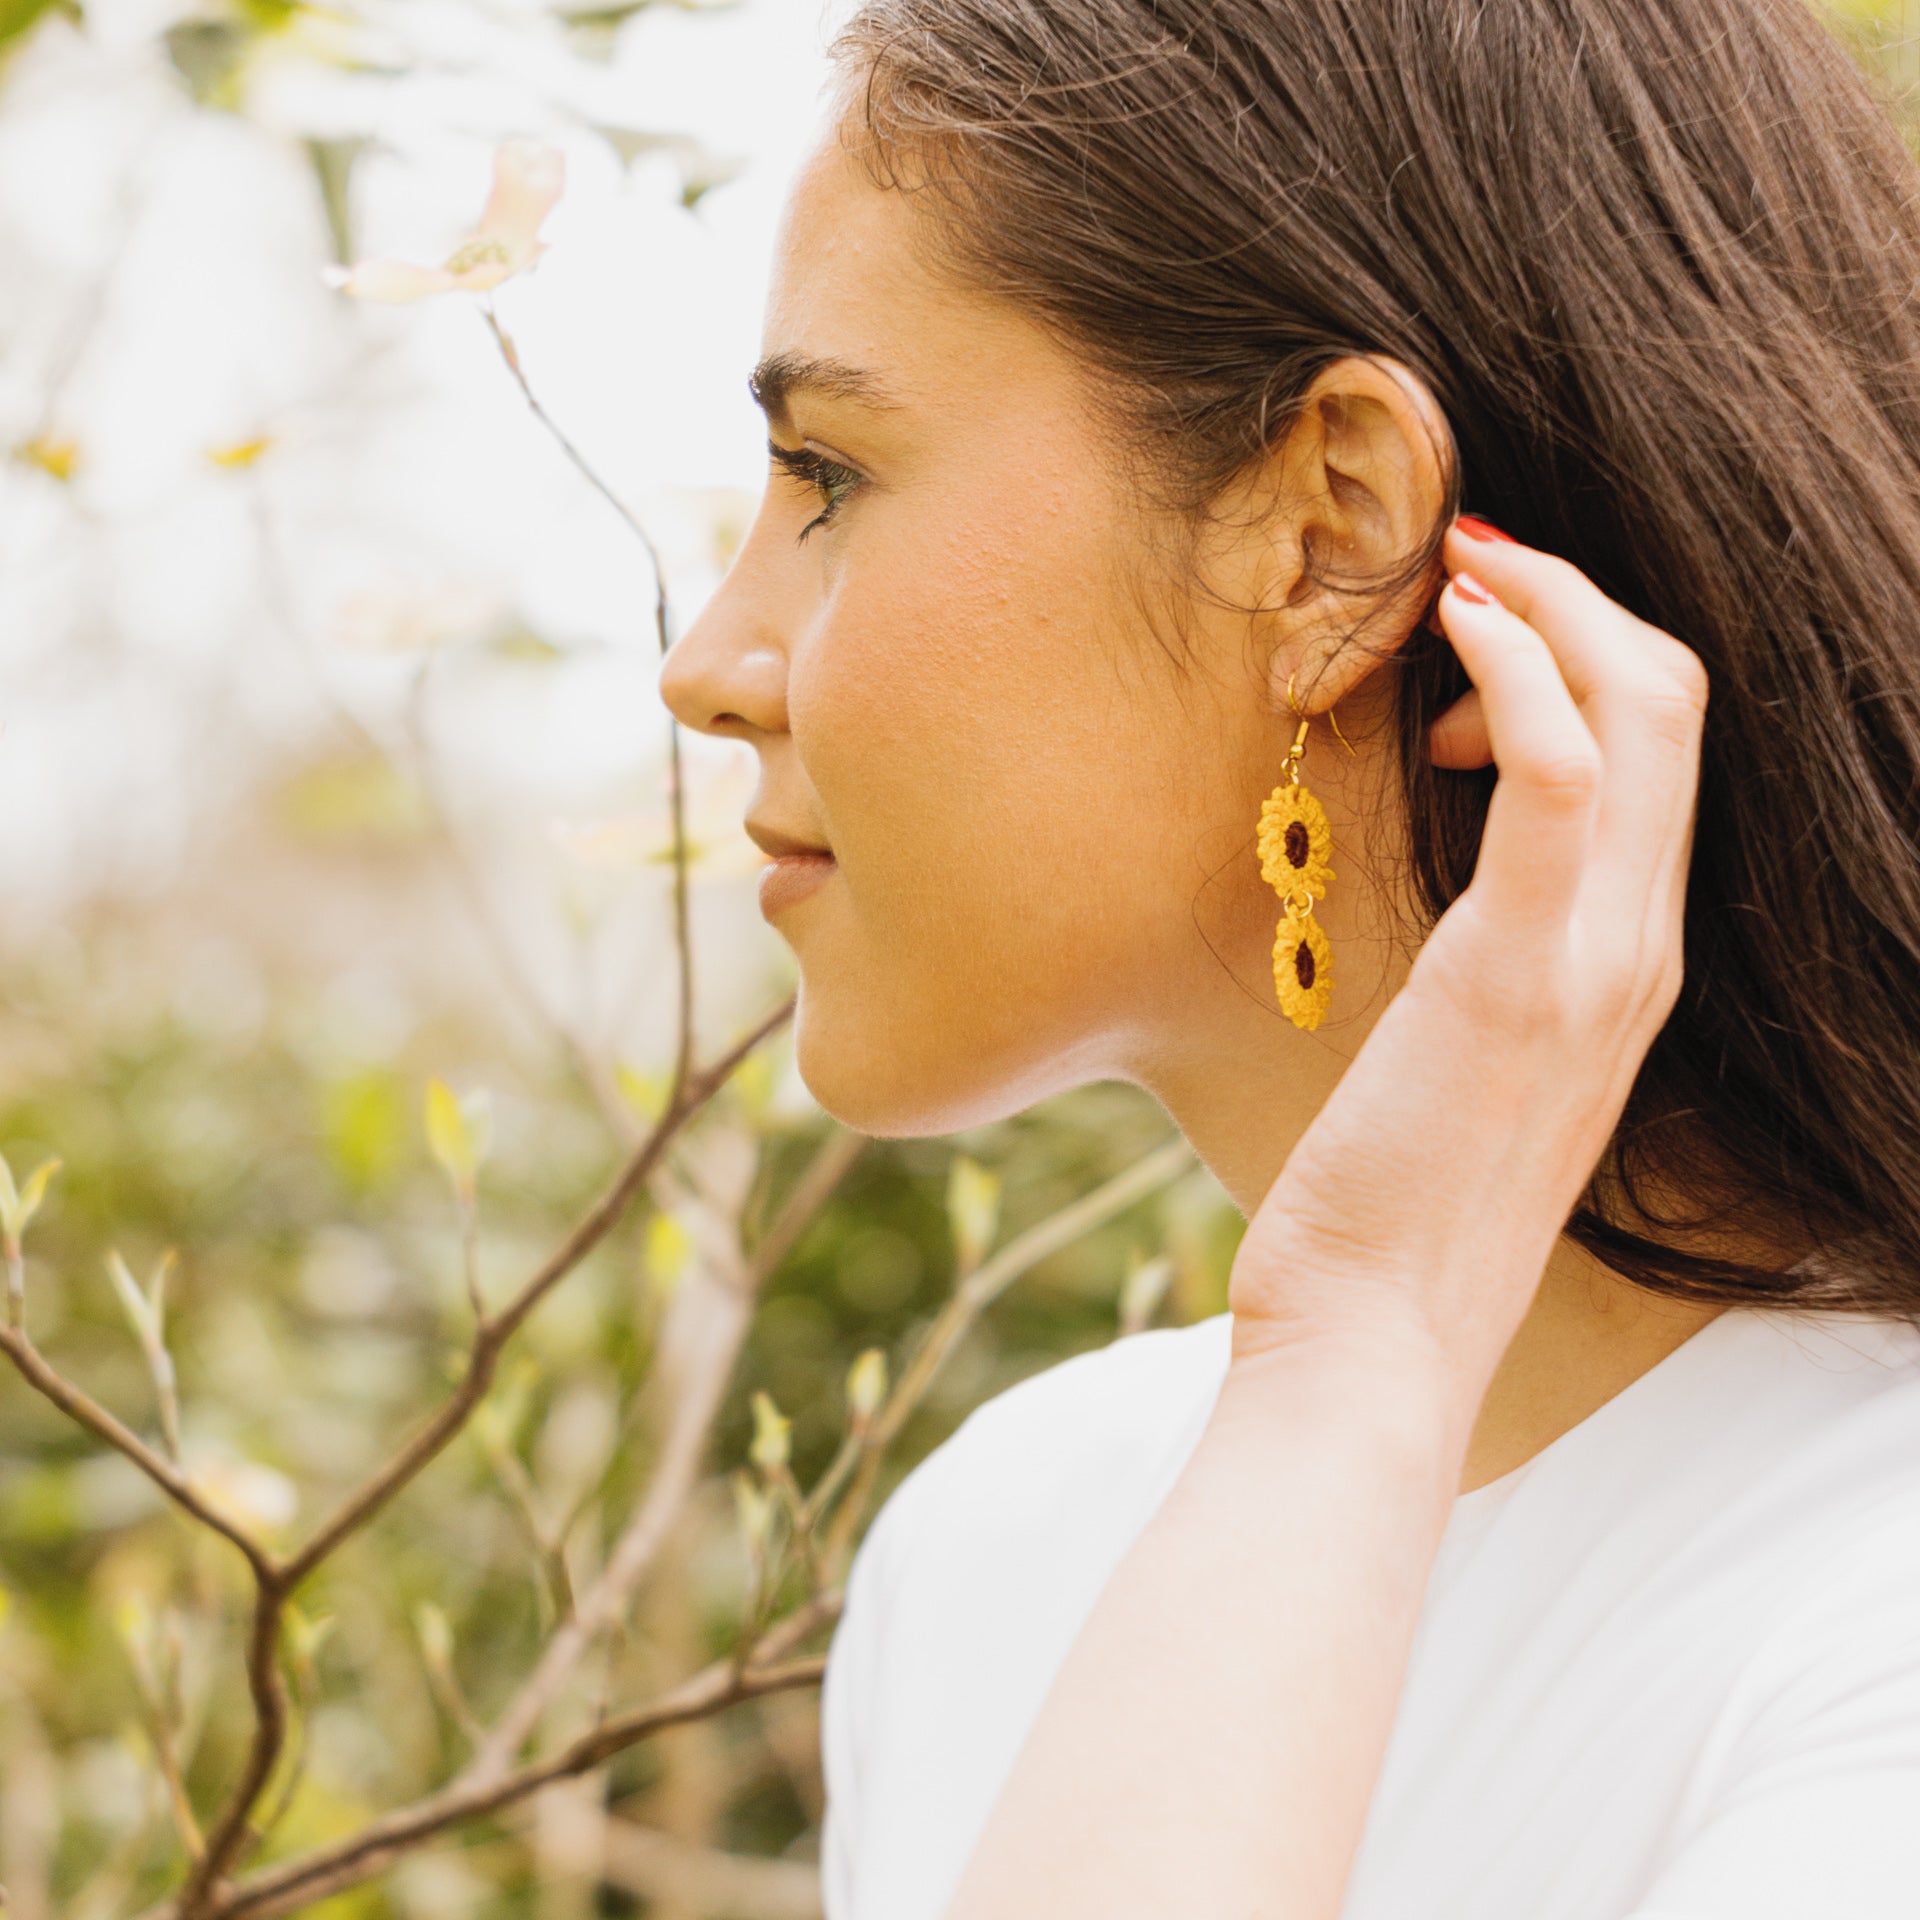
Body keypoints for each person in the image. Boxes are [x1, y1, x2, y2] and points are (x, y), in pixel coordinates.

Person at [659, 0, 1920, 1913]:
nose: (708, 667)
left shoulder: (1866, 1611)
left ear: (1332, 529)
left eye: (828, 474)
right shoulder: (1002, 1543)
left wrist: (1364, 1338)